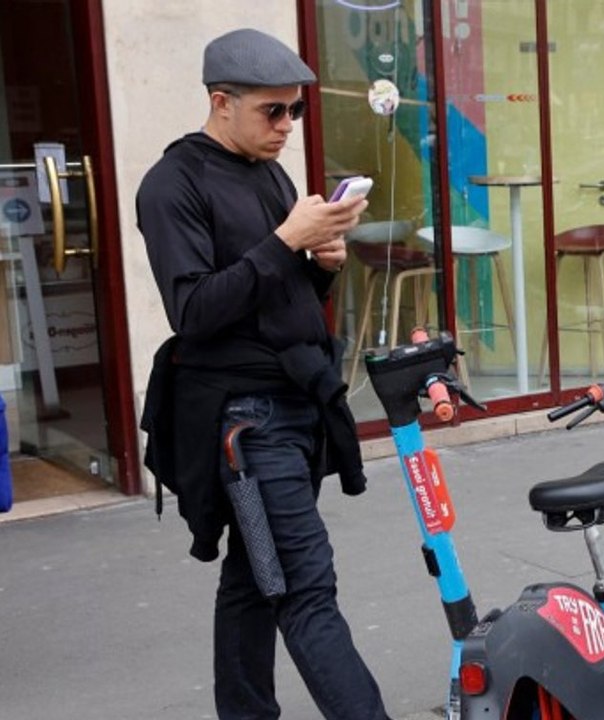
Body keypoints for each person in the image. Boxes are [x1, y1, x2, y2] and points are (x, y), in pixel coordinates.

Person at [136, 28, 391, 720]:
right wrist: (287, 241)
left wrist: (321, 265)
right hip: (245, 425)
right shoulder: (172, 185)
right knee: (306, 588)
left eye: (295, 112)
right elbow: (194, 311)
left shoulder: (271, 174)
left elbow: (279, 302)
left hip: (295, 405)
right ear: (221, 102)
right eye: (271, 112)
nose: (286, 127)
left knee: (254, 580)